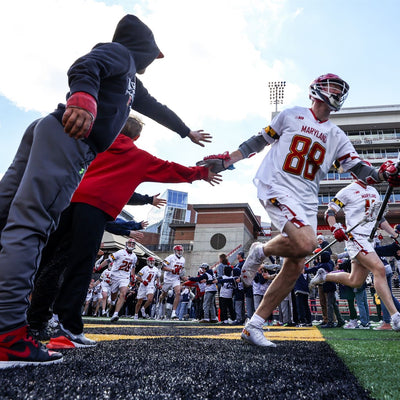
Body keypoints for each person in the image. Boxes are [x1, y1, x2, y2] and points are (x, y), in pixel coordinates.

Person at [0, 14, 213, 368]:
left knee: (6, 216)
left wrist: (185, 131)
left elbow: (156, 108)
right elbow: (86, 65)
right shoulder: (121, 55)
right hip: (72, 135)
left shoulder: (130, 82)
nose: (151, 63)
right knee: (31, 226)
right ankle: (8, 335)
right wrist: (83, 97)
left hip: (50, 128)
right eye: (152, 55)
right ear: (143, 48)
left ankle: (16, 323)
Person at [198, 73, 400, 347]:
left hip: (306, 199)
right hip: (277, 184)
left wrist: (382, 173)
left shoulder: (337, 135)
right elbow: (260, 140)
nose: (336, 93)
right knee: (307, 243)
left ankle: (253, 325)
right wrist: (227, 160)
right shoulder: (292, 114)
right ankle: (261, 251)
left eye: (339, 90)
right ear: (316, 90)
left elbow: (358, 168)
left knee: (296, 264)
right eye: (332, 87)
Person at [26, 115, 219, 348]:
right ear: (136, 137)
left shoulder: (96, 145)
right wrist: (201, 173)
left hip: (66, 201)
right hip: (93, 209)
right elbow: (171, 169)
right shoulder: (137, 157)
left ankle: (33, 319)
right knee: (80, 267)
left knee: (51, 263)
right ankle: (68, 327)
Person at [309, 178, 400, 331]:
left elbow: (379, 218)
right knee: (379, 269)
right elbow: (329, 212)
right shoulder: (347, 191)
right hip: (355, 237)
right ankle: (395, 317)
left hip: (369, 240)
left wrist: (395, 235)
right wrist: (335, 227)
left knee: (355, 281)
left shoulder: (373, 191)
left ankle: (325, 276)